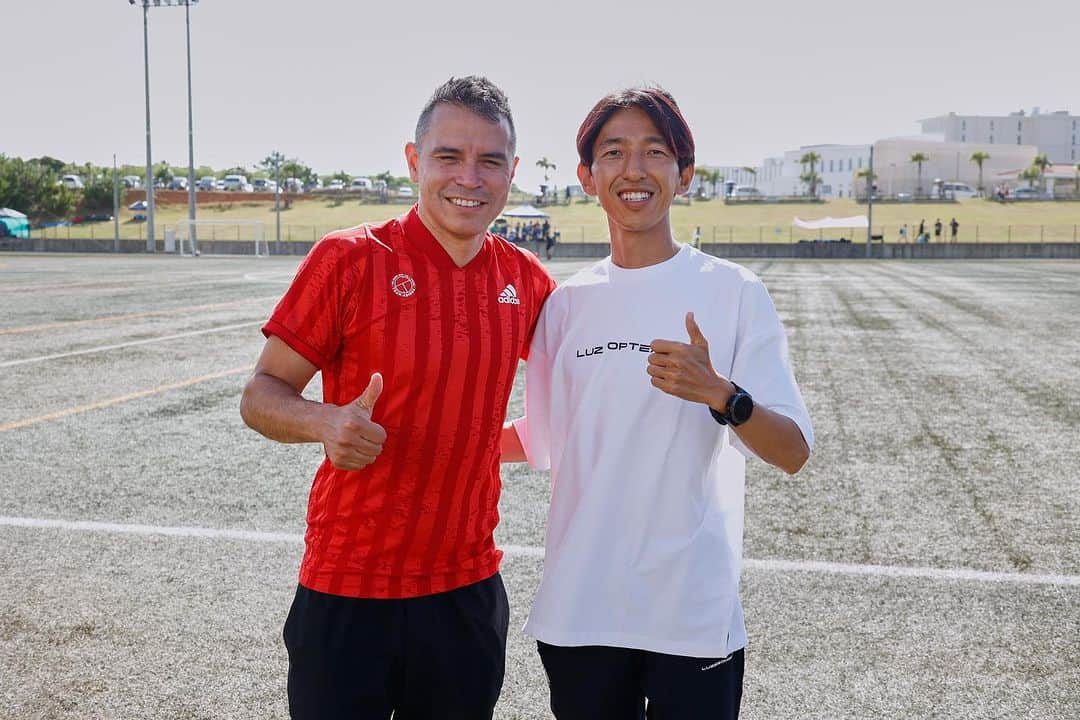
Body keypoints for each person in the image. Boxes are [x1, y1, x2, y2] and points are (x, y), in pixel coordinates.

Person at [240, 76, 555, 720]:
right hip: (348, 585)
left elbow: (585, 396)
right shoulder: (349, 260)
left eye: (489, 161)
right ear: (414, 161)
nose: (470, 177)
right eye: (449, 157)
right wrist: (325, 421)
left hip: (465, 591)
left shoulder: (526, 281)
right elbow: (260, 394)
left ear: (512, 172)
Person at [502, 87, 813, 719]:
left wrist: (722, 395)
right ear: (588, 177)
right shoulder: (565, 305)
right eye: (613, 152)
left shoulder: (733, 292)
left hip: (690, 614)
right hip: (581, 608)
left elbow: (794, 452)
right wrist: (416, 435)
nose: (634, 169)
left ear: (684, 175)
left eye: (655, 151)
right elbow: (542, 437)